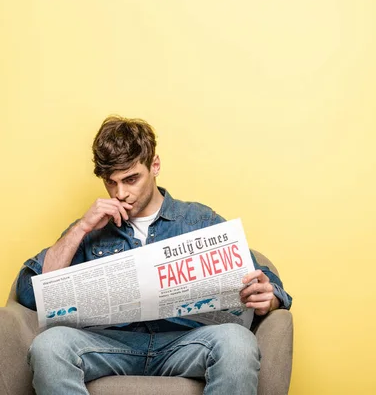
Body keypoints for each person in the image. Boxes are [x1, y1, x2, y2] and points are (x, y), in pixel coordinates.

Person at [16, 115, 292, 395]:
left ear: (155, 166)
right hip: (110, 346)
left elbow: (264, 278)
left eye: (131, 179)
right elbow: (30, 292)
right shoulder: (91, 229)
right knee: (48, 346)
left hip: (185, 344)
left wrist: (268, 297)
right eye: (111, 183)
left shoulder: (197, 220)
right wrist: (82, 228)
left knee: (238, 342)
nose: (121, 193)